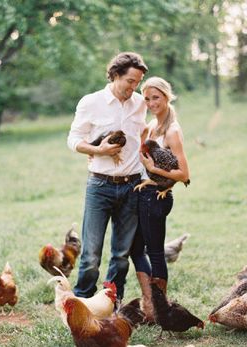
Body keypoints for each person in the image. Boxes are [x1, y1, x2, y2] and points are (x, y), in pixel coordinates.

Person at [67, 52, 148, 300]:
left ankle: (113, 303)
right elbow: (73, 140)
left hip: (132, 185)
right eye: (130, 81)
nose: (134, 88)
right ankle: (82, 303)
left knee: (121, 254)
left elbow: (144, 137)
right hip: (100, 186)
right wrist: (97, 150)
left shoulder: (140, 103)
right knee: (91, 254)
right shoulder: (90, 102)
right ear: (115, 75)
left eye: (138, 82)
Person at [130, 76, 190, 322]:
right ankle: (151, 303)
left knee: (154, 252)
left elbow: (184, 173)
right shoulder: (153, 126)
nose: (151, 102)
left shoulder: (173, 131)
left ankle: (159, 308)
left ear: (167, 97)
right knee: (136, 248)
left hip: (158, 198)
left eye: (156, 97)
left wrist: (153, 168)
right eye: (147, 98)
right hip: (147, 193)